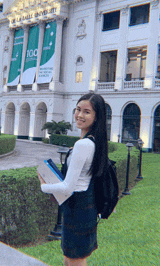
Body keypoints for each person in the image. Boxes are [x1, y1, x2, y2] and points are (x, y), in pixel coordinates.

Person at [37, 92, 108, 266]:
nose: (80, 115)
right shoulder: (93, 141)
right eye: (78, 109)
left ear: (96, 117)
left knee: (75, 259)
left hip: (78, 208)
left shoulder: (83, 145)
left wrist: (43, 186)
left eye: (87, 112)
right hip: (84, 206)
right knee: (70, 258)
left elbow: (68, 187)